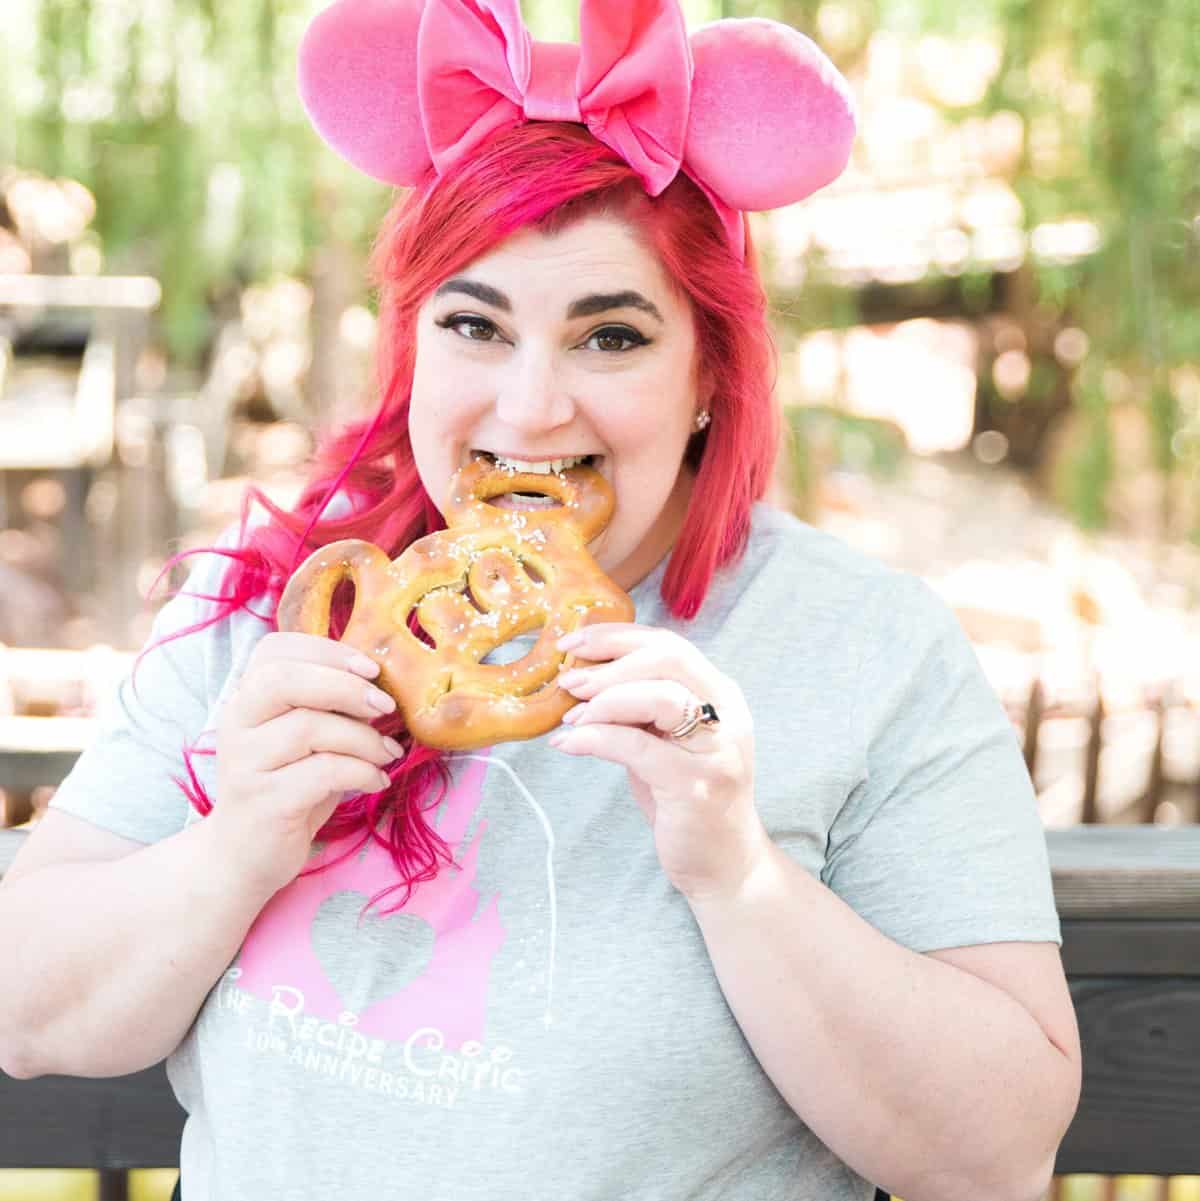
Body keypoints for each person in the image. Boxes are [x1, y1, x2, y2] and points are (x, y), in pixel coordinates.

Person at [0, 1, 1081, 1198]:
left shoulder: (871, 649)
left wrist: (737, 871)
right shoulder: (269, 609)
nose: (529, 409)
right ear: (414, 343)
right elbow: (29, 1014)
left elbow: (1001, 1154)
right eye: (474, 325)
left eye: (609, 338)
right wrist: (240, 840)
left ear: (711, 368)